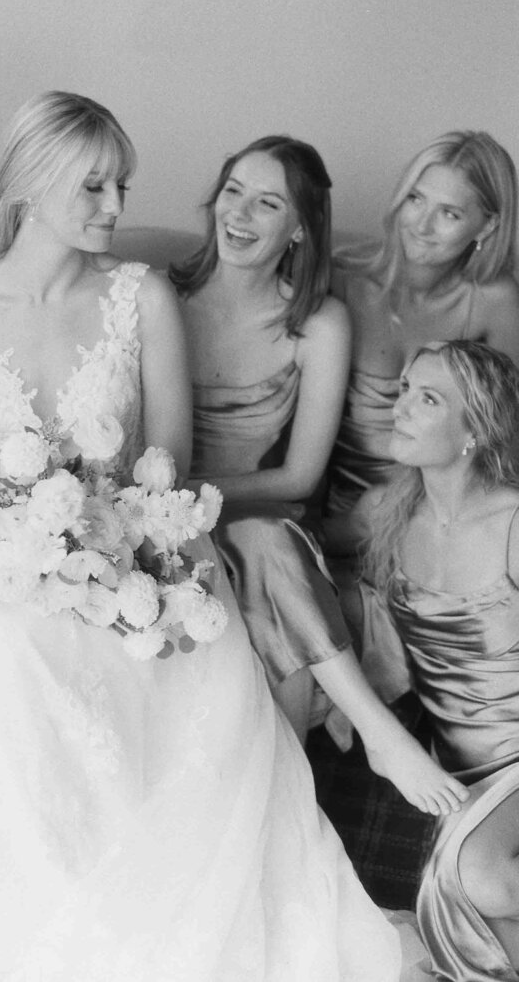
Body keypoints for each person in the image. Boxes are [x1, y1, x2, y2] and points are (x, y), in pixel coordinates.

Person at [0, 92, 450, 982]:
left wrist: (100, 525)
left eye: (120, 186)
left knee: (98, 651)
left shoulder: (141, 298)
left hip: (135, 538)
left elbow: (166, 455)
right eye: (94, 186)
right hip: (11, 543)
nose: (115, 207)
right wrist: (9, 523)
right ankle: (44, 891)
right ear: (33, 184)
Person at [170, 137, 465, 819]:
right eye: (233, 190)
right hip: (169, 525)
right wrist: (172, 508)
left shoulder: (317, 322)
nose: (239, 213)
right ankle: (366, 744)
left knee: (269, 539)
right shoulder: (164, 296)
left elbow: (299, 477)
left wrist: (198, 498)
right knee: (265, 552)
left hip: (259, 516)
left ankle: (288, 802)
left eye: (267, 202)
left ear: (298, 227)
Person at [324, 132, 519, 705]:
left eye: (450, 212)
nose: (422, 224)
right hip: (341, 507)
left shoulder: (495, 302)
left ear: (485, 228)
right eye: (416, 199)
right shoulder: (341, 278)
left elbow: (502, 437)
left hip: (438, 510)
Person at [353, 339, 519, 982]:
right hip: (457, 767)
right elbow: (291, 542)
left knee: (480, 877)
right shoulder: (385, 513)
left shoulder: (511, 522)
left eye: (429, 399)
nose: (401, 408)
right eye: (403, 391)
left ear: (474, 429)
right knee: (481, 893)